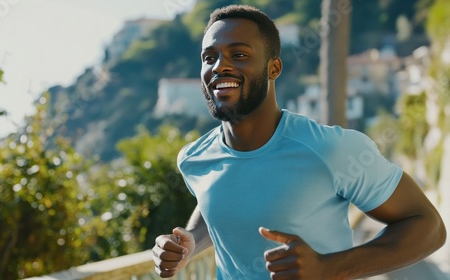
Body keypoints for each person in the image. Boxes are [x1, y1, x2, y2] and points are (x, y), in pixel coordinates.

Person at [152, 4, 446, 279]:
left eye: (239, 54)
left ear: (274, 68)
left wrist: (328, 269)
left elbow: (429, 227)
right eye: (209, 57)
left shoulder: (331, 149)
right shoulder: (193, 159)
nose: (219, 66)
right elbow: (218, 199)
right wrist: (190, 239)